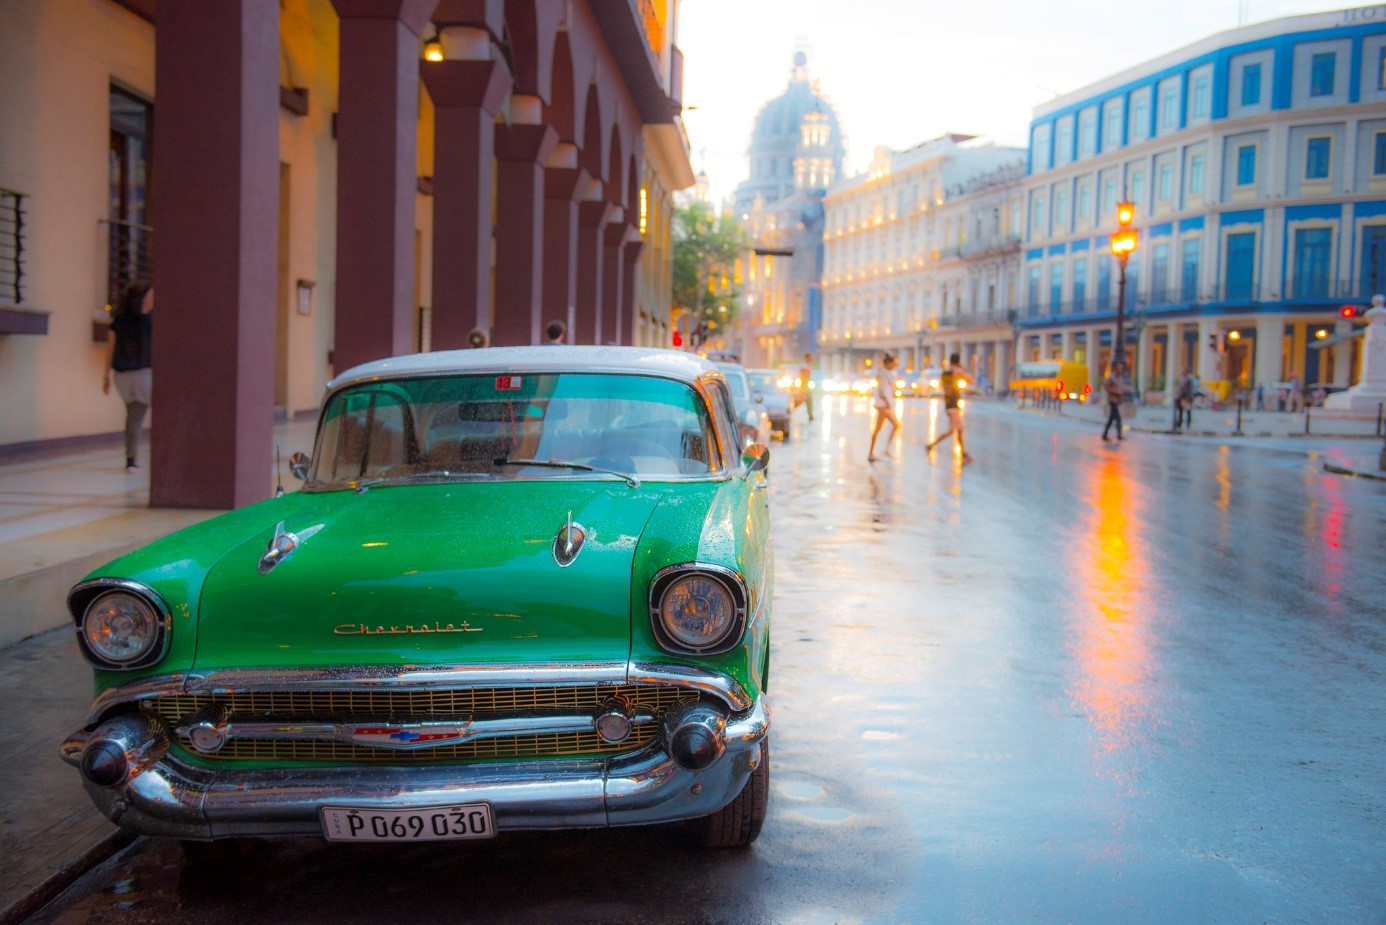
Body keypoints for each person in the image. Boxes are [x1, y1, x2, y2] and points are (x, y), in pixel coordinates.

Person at [103, 280, 154, 472]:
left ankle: (131, 459)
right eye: (151, 295)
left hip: (122, 377)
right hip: (144, 376)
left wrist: (105, 376)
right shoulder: (150, 320)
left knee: (133, 416)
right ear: (143, 298)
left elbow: (110, 349)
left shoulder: (119, 320)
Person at [926, 352, 972, 463]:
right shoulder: (957, 371)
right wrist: (964, 368)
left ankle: (964, 454)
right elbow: (970, 380)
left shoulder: (945, 372)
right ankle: (932, 444)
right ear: (958, 361)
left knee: (960, 429)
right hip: (954, 405)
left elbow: (944, 386)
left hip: (948, 403)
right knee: (952, 430)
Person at [867, 354, 899, 462]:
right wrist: (886, 401)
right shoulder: (883, 374)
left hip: (884, 405)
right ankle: (872, 453)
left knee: (895, 425)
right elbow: (881, 389)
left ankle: (883, 449)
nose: (894, 365)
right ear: (888, 363)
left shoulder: (884, 373)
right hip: (883, 406)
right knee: (878, 429)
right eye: (893, 363)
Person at [1101, 360, 1129, 442]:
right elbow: (1106, 386)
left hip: (1117, 400)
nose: (1120, 370)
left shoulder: (1120, 378)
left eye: (1121, 368)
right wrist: (1114, 392)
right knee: (1118, 418)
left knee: (1111, 419)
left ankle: (1105, 434)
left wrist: (1122, 395)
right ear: (1116, 369)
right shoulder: (1111, 377)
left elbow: (1121, 388)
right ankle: (1119, 435)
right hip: (1112, 400)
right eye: (1119, 368)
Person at [1174, 368, 1195, 432]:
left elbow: (1189, 389)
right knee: (1180, 412)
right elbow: (1180, 388)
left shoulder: (1189, 379)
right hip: (1181, 397)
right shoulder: (1182, 378)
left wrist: (1188, 397)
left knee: (1188, 412)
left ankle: (1188, 425)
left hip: (1186, 398)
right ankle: (1179, 424)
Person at [799, 352, 815, 421]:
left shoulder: (807, 366)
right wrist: (803, 388)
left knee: (809, 401)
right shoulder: (804, 366)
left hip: (806, 387)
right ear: (807, 358)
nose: (811, 359)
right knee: (807, 401)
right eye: (810, 358)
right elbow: (803, 377)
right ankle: (810, 415)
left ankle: (810, 415)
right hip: (804, 387)